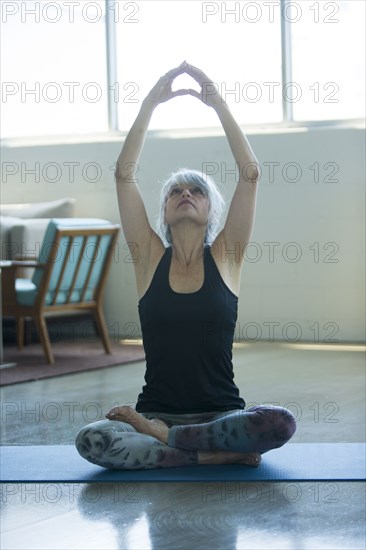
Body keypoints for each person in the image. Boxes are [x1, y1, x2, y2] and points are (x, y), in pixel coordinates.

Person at [75, 62, 296, 470]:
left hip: (220, 416)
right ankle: (210, 455)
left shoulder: (227, 256)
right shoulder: (149, 257)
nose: (185, 194)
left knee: (279, 423)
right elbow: (124, 176)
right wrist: (149, 104)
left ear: (210, 208)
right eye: (175, 191)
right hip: (156, 412)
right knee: (92, 440)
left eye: (196, 190)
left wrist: (218, 103)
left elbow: (250, 174)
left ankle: (172, 446)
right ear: (164, 209)